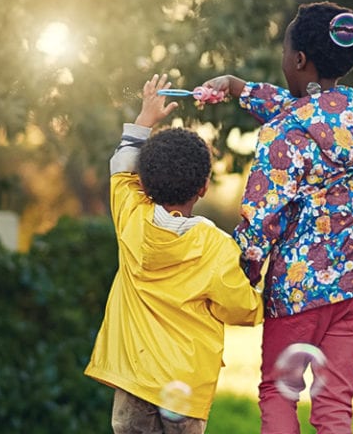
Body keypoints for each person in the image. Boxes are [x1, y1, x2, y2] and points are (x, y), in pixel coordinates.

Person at [200, 1, 353, 433]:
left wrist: (243, 276)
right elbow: (299, 110)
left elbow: (259, 218)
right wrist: (236, 87)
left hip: (298, 289)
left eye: (286, 53)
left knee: (278, 392)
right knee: (334, 405)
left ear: (299, 59)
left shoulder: (282, 134)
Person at [85, 73, 264, 434]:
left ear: (145, 183)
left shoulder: (131, 217)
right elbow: (241, 308)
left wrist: (144, 120)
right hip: (185, 390)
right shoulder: (214, 246)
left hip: (132, 380)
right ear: (202, 187)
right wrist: (256, 286)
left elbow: (121, 169)